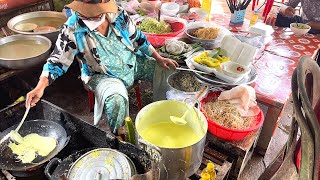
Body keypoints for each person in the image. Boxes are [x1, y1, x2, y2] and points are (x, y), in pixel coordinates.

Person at [25, 0, 178, 133]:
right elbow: (57, 61)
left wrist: (159, 58)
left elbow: (138, 38)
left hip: (132, 62)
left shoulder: (118, 15)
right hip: (102, 75)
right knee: (116, 99)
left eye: (98, 13)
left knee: (165, 69)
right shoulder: (72, 29)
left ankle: (165, 111)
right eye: (89, 14)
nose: (94, 17)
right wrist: (40, 87)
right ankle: (120, 136)